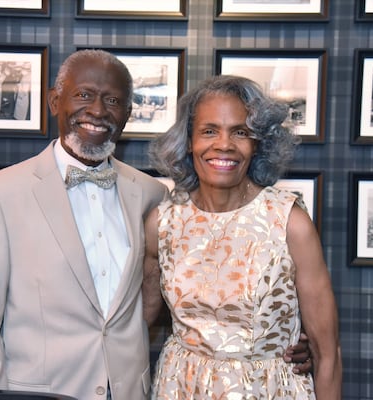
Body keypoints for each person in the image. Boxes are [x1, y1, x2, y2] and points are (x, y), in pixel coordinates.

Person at [0, 50, 311, 400]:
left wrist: (283, 337)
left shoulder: (152, 195)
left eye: (112, 100)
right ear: (54, 101)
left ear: (126, 114)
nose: (97, 111)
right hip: (39, 394)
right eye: (83, 95)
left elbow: (191, 296)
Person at [143, 75, 341, 399]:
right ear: (188, 140)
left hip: (269, 390)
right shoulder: (162, 223)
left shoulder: (290, 222)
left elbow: (327, 352)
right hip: (180, 386)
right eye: (209, 131)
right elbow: (135, 320)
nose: (224, 144)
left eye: (241, 132)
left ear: (258, 143)